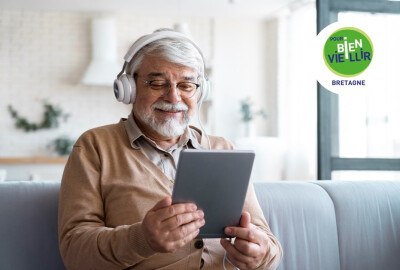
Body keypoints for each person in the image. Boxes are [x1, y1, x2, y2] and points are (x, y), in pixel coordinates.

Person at [58, 29, 282, 270]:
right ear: (129, 88)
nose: (174, 97)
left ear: (200, 92)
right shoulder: (95, 147)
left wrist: (260, 254)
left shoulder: (222, 148)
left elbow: (270, 247)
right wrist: (142, 239)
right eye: (157, 83)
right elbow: (75, 252)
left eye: (186, 85)